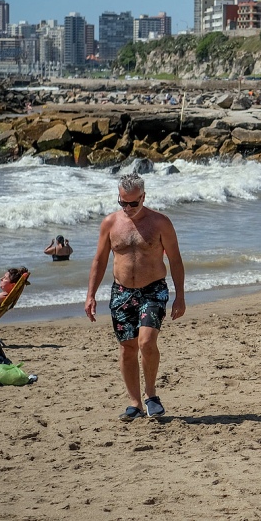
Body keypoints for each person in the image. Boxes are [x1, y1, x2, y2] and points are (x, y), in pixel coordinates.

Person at [85, 173, 185, 421]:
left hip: (153, 289)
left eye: (133, 203)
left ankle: (151, 396)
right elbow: (99, 260)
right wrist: (90, 295)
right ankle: (135, 404)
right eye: (123, 203)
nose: (128, 208)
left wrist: (180, 296)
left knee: (146, 342)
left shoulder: (161, 223)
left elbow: (175, 260)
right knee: (127, 348)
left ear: (143, 197)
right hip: (121, 292)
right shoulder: (110, 223)